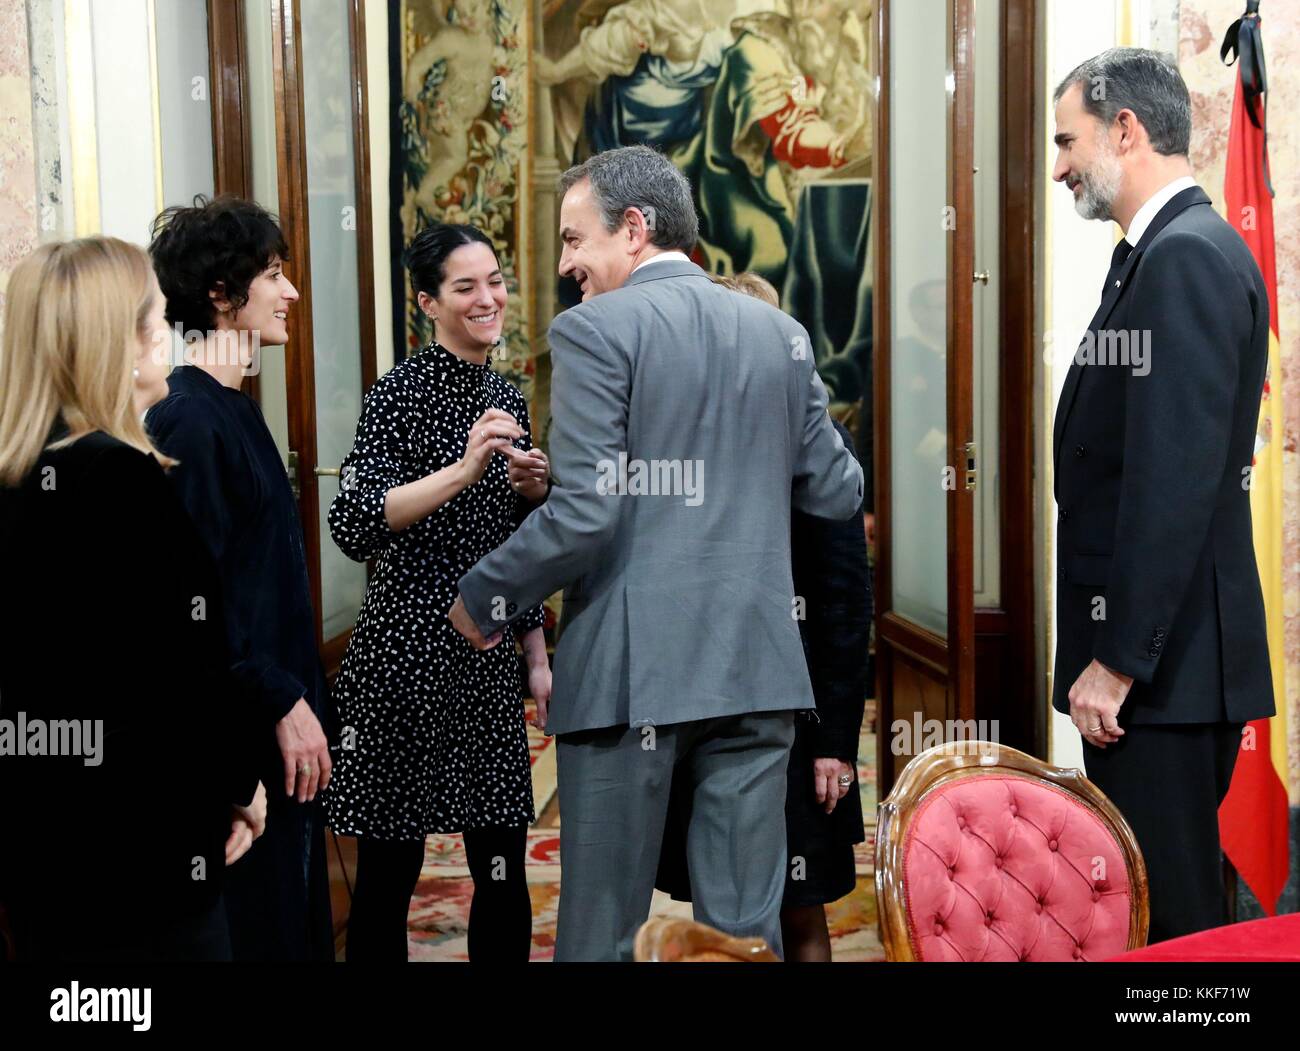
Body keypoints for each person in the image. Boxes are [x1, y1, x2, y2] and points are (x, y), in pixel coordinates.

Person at [448, 144, 863, 961]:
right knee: (740, 937)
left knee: (603, 932)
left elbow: (586, 513)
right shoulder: (778, 332)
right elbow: (837, 493)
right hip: (755, 670)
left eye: (574, 239)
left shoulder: (595, 331)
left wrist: (484, 595)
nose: (566, 263)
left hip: (632, 676)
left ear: (633, 229)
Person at [1050, 48, 1273, 941]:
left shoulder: (1181, 258)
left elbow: (1169, 489)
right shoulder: (1157, 254)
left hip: (1163, 680)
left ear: (1126, 128)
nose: (1060, 162)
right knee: (1148, 916)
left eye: (1068, 139)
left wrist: (1118, 662)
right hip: (1163, 676)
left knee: (1172, 929)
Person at [0, 237, 264, 961]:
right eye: (154, 315)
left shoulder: (22, 478)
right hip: (140, 859)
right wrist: (239, 780)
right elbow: (182, 675)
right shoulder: (120, 479)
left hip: (40, 854)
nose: (166, 334)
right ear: (126, 339)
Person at [325, 224, 550, 962]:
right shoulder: (397, 394)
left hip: (484, 662)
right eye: (465, 286)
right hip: (404, 663)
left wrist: (538, 654)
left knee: (502, 870)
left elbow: (515, 544)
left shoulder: (504, 392)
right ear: (427, 301)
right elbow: (354, 521)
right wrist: (461, 468)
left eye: (495, 280)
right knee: (392, 873)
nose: (489, 298)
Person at [655, 272, 871, 961]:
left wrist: (836, 740)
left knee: (799, 907)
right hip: (709, 705)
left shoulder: (818, 441)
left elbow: (842, 599)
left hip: (800, 717)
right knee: (728, 914)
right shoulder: (685, 439)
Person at [145, 196, 335, 961]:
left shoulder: (238, 409)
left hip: (278, 719)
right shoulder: (188, 420)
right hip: (241, 734)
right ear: (222, 295)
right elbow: (192, 607)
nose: (290, 292)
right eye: (273, 274)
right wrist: (277, 694)